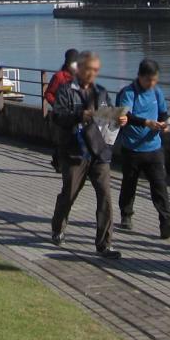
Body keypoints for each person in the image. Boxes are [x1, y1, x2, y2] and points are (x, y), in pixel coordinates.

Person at [50, 51, 125, 259]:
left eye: (96, 70)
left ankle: (104, 245)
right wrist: (78, 115)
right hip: (75, 151)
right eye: (89, 69)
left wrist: (119, 120)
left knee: (105, 198)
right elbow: (57, 116)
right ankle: (58, 227)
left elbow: (108, 114)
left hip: (99, 152)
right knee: (69, 194)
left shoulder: (100, 92)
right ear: (79, 69)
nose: (92, 74)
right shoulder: (66, 91)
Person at [115, 59, 170, 239]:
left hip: (154, 147)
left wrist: (164, 123)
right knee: (130, 183)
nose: (152, 84)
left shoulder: (157, 92)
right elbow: (125, 115)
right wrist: (146, 122)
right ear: (140, 77)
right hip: (132, 148)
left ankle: (166, 223)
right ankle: (126, 214)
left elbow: (163, 112)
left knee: (159, 185)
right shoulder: (128, 92)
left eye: (154, 80)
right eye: (148, 80)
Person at [43, 49, 80, 170]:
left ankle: (66, 161)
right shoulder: (59, 77)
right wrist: (58, 105)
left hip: (76, 114)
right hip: (62, 115)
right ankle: (59, 161)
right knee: (64, 139)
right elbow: (49, 93)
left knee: (75, 139)